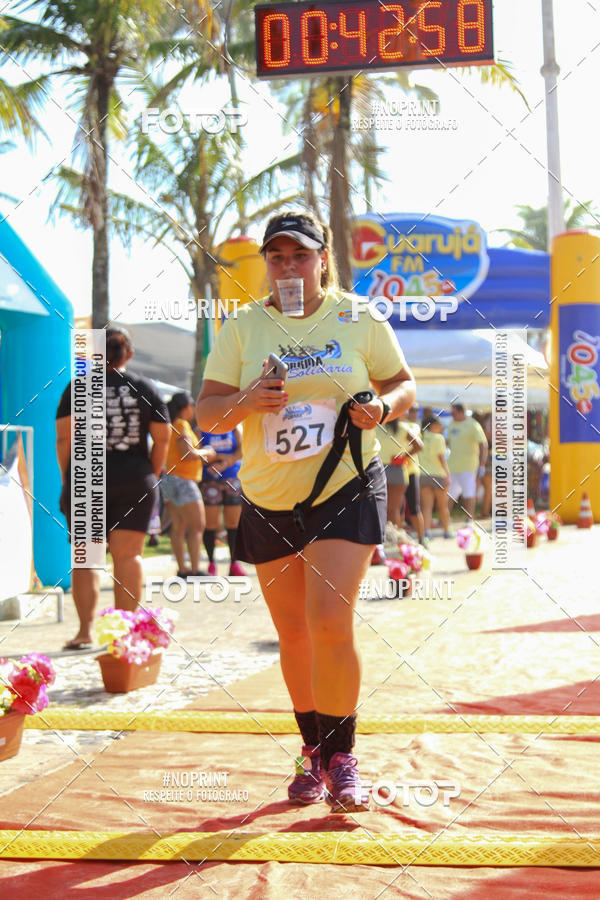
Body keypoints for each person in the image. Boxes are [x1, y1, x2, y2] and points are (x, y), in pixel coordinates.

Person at [196, 211, 416, 813]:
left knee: (327, 621)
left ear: (323, 259)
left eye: (300, 255)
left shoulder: (356, 316)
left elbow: (403, 385)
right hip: (269, 496)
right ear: (267, 263)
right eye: (277, 256)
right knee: (293, 634)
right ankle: (313, 751)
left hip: (345, 485)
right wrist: (246, 399)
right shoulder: (244, 326)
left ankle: (344, 759)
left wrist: (383, 408)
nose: (288, 266)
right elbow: (206, 415)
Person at [56, 326, 170, 650]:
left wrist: (68, 477)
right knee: (129, 556)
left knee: (87, 556)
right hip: (135, 476)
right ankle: (124, 632)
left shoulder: (77, 387)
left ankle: (84, 632)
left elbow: (64, 437)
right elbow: (162, 438)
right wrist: (151, 472)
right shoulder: (146, 387)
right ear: (128, 355)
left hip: (86, 475)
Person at [161, 391, 216, 578]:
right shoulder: (182, 424)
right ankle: (193, 569)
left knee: (178, 527)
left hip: (170, 480)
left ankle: (182, 570)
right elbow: (187, 452)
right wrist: (207, 452)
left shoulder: (172, 425)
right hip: (183, 480)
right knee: (197, 525)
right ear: (186, 407)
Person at [195, 424, 246, 576]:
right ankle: (211, 563)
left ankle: (234, 563)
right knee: (210, 524)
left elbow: (243, 450)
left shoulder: (234, 427)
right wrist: (220, 458)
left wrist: (225, 462)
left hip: (233, 478)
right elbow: (198, 454)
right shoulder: (200, 429)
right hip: (210, 480)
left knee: (233, 523)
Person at [446, 402, 488, 520]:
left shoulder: (473, 425)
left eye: (453, 413)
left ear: (461, 412)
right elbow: (448, 442)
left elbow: (483, 445)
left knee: (468, 493)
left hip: (469, 466)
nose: (452, 415)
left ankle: (469, 518)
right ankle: (445, 518)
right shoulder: (451, 424)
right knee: (450, 494)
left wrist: (482, 465)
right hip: (452, 466)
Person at [419, 415, 452, 538]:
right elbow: (441, 458)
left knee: (426, 507)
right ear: (432, 425)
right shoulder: (438, 438)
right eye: (439, 425)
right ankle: (447, 530)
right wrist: (448, 474)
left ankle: (426, 531)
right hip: (438, 475)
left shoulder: (420, 436)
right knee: (442, 506)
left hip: (422, 474)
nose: (441, 427)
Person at [402, 405, 426, 545]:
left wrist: (404, 455)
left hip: (410, 471)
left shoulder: (414, 426)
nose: (413, 413)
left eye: (416, 410)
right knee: (397, 509)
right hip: (397, 470)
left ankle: (422, 539)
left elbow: (417, 444)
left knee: (414, 507)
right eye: (410, 410)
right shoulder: (398, 425)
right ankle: (400, 540)